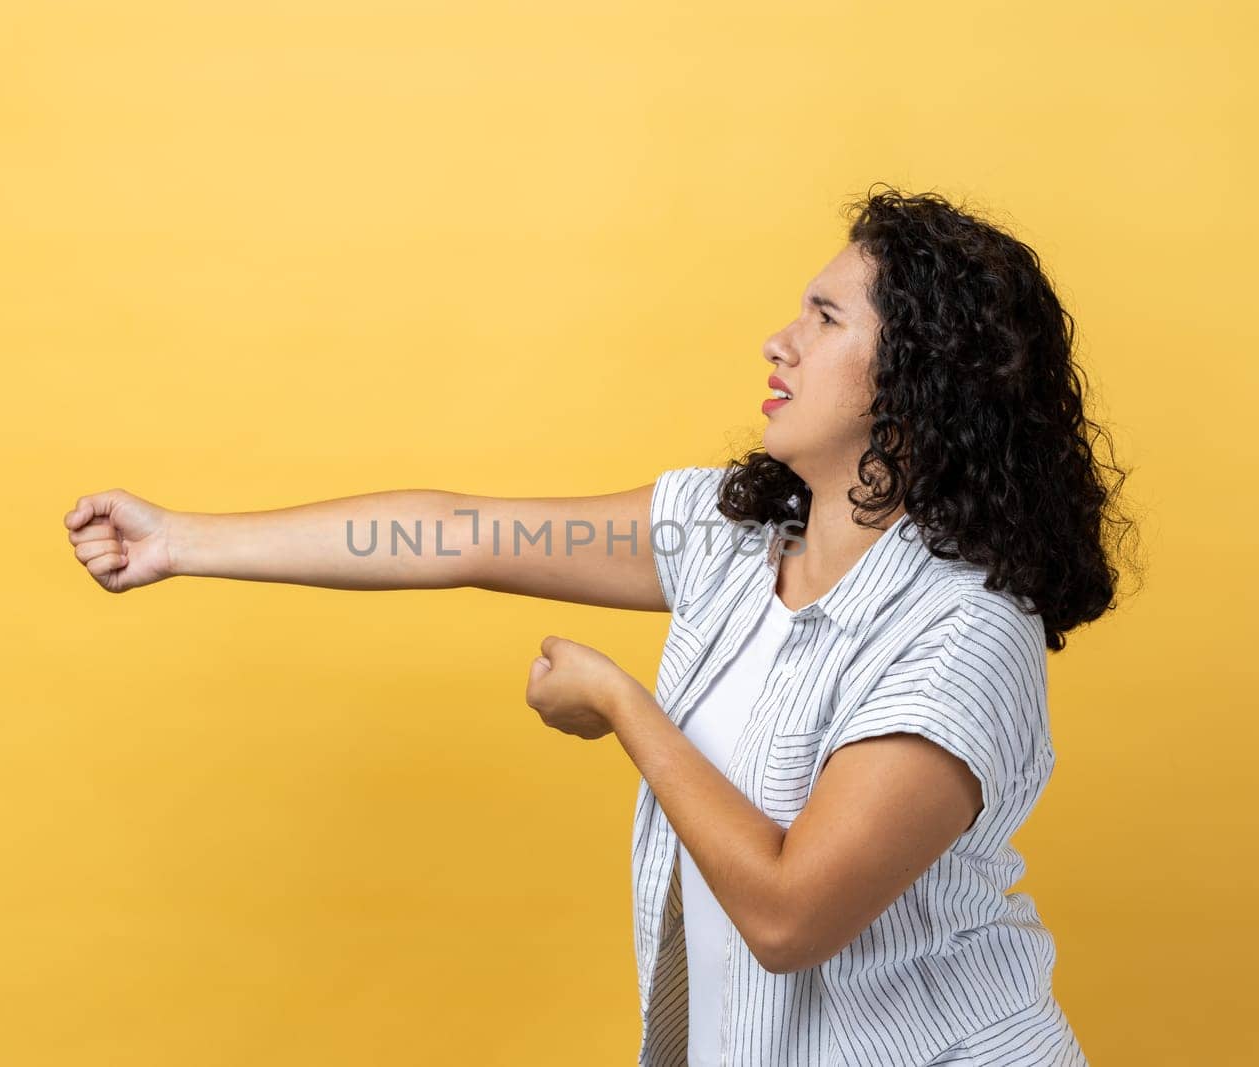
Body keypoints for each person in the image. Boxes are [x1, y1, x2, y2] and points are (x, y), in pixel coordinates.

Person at [62, 185, 1134, 1066]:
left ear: (918, 380)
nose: (779, 338)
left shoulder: (961, 633)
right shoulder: (733, 539)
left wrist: (625, 704)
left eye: (825, 316)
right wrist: (183, 540)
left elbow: (789, 915)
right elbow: (457, 535)